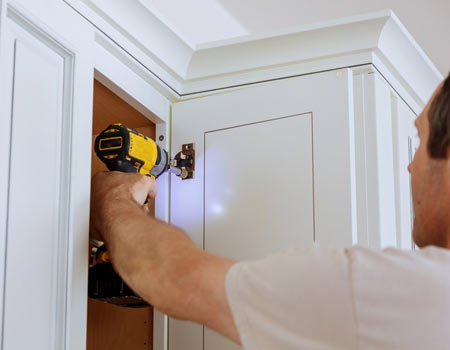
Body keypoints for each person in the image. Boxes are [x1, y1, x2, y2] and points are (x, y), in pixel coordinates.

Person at [90, 73, 450, 349]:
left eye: (419, 141)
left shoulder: (411, 292)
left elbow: (174, 279)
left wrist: (114, 199)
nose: (410, 166)